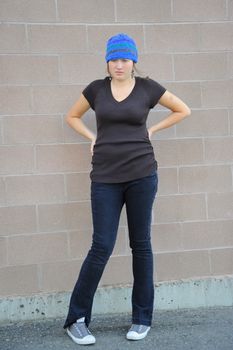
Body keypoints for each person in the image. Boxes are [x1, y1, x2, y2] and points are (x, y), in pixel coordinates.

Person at [63, 33, 191, 345]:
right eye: (113, 59)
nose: (119, 64)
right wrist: (91, 137)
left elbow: (182, 109)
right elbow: (71, 116)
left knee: (141, 245)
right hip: (105, 177)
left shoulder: (149, 88)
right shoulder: (96, 89)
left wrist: (152, 129)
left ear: (133, 61)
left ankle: (141, 318)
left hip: (142, 176)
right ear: (107, 61)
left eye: (124, 59)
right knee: (101, 247)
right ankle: (76, 319)